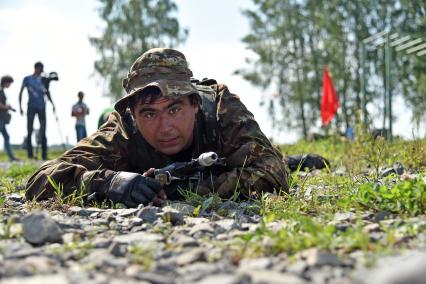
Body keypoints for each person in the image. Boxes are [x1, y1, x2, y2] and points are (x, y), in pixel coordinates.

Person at [25, 48, 288, 207]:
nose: (165, 127)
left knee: (269, 158)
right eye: (149, 114)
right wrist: (110, 183)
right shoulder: (123, 128)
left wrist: (187, 190)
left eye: (174, 109)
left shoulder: (219, 106)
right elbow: (41, 180)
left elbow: (272, 171)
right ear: (134, 114)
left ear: (195, 103)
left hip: (222, 159)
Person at [19, 62, 56, 160]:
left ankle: (44, 154)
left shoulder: (43, 80)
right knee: (29, 130)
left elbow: (47, 92)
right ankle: (30, 155)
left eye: (42, 69)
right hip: (31, 107)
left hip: (42, 108)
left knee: (43, 131)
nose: (41, 71)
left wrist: (52, 104)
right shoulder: (27, 79)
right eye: (40, 69)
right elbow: (21, 92)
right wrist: (20, 107)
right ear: (35, 68)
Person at [0, 75, 18, 161]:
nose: (10, 85)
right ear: (5, 82)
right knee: (6, 137)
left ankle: (11, 157)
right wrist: (6, 107)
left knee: (6, 137)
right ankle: (11, 157)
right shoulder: (0, 91)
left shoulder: (2, 91)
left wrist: (8, 107)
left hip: (2, 118)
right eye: (9, 83)